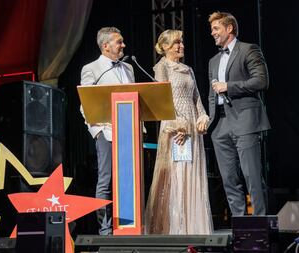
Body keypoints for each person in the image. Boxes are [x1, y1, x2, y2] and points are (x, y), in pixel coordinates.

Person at [144, 29, 213, 234]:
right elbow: (163, 100)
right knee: (177, 176)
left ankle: (193, 227)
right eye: (176, 43)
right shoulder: (162, 67)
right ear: (165, 47)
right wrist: (177, 126)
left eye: (181, 42)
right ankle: (177, 228)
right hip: (174, 127)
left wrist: (202, 117)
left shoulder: (188, 69)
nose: (181, 46)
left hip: (191, 126)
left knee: (192, 174)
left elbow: (197, 99)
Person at [207, 12, 271, 216]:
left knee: (252, 176)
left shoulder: (248, 50)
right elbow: (211, 94)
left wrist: (229, 86)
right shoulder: (213, 61)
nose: (212, 33)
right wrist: (209, 121)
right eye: (212, 29)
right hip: (220, 125)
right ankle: (240, 227)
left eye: (216, 28)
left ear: (229, 28)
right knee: (229, 180)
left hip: (245, 121)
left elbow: (261, 81)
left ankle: (260, 227)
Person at [80, 27, 134, 235]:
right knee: (106, 180)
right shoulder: (92, 68)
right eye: (119, 42)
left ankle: (129, 225)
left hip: (129, 131)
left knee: (129, 179)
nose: (123, 45)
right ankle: (105, 228)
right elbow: (86, 102)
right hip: (107, 132)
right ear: (105, 46)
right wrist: (97, 131)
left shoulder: (128, 68)